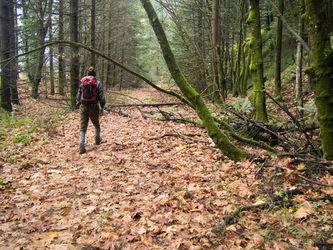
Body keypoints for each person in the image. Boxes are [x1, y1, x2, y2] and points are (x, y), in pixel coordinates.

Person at [76, 67, 106, 154]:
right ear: (95, 75)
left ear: (88, 75)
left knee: (82, 128)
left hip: (83, 107)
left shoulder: (82, 83)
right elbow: (102, 98)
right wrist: (102, 106)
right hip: (93, 107)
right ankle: (97, 141)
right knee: (96, 124)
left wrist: (78, 103)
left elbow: (78, 96)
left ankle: (81, 146)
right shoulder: (97, 84)